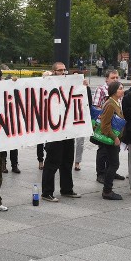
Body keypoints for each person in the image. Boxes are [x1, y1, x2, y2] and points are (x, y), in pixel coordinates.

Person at [40, 62, 77, 202]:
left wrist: (82, 86)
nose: (63, 73)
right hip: (54, 131)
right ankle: (47, 192)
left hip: (68, 129)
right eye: (59, 71)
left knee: (67, 161)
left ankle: (67, 189)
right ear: (53, 72)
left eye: (64, 70)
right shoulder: (47, 85)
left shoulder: (69, 85)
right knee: (52, 162)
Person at [93, 69, 125, 184]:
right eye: (113, 78)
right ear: (106, 79)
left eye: (117, 77)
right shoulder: (101, 90)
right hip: (105, 125)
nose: (115, 79)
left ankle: (111, 171)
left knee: (114, 152)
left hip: (116, 126)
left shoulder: (119, 91)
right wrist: (105, 115)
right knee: (103, 150)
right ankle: (101, 173)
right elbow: (96, 107)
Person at [98, 82, 125, 200]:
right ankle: (107, 191)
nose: (122, 91)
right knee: (114, 164)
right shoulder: (110, 104)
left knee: (113, 163)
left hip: (113, 138)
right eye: (120, 89)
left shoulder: (115, 102)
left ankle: (107, 189)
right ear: (114, 91)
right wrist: (115, 138)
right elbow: (105, 126)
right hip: (110, 139)